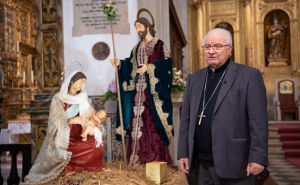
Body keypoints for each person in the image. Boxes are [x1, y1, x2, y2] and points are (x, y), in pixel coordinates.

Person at [177, 28, 269, 185]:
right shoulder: (195, 79)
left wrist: (258, 157)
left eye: (217, 46)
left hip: (235, 161)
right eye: (207, 47)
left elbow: (258, 122)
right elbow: (186, 119)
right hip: (201, 162)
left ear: (229, 49)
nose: (211, 51)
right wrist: (183, 153)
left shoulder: (249, 76)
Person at [110, 17, 173, 165]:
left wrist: (150, 67)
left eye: (139, 26)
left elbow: (167, 64)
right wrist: (120, 64)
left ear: (147, 26)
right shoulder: (136, 48)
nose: (138, 30)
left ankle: (155, 162)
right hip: (137, 95)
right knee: (136, 128)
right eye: (136, 27)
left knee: (152, 127)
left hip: (152, 96)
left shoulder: (159, 45)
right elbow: (131, 65)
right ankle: (136, 164)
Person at [23, 71, 104, 184]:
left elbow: (91, 113)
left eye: (83, 82)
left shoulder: (82, 97)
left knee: (96, 145)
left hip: (81, 130)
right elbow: (54, 121)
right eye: (80, 82)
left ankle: (88, 171)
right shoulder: (59, 98)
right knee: (76, 149)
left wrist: (95, 123)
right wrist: (73, 120)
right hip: (66, 133)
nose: (81, 85)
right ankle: (70, 170)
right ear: (71, 82)